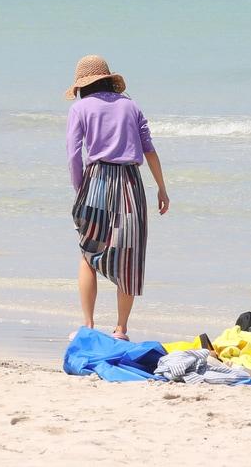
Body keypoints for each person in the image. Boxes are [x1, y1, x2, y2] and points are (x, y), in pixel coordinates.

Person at [65, 55, 171, 339]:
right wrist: (161, 188)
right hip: (130, 183)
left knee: (89, 252)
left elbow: (74, 155)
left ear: (81, 86)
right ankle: (121, 329)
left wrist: (80, 189)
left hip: (96, 180)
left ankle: (87, 325)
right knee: (129, 256)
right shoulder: (131, 106)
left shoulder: (80, 109)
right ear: (110, 79)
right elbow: (149, 150)